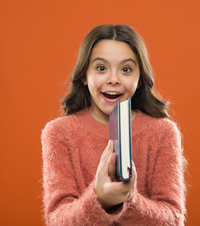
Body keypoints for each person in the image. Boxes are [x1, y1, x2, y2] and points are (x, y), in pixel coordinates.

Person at [41, 24, 186, 225]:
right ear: (84, 75)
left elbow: (173, 219)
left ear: (140, 79)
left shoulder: (162, 132)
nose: (114, 79)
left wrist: (128, 198)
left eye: (126, 69)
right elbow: (57, 220)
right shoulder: (59, 133)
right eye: (101, 68)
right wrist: (100, 200)